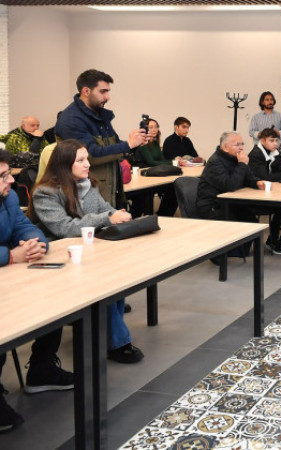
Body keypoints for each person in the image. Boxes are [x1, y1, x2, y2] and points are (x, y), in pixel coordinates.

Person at [27, 139, 145, 363]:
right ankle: (117, 342)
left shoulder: (88, 185)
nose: (87, 164)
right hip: (58, 257)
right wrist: (107, 218)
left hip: (87, 250)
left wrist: (118, 214)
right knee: (102, 281)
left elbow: (106, 210)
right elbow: (64, 228)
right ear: (64, 164)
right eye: (80, 160)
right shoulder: (45, 192)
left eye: (87, 159)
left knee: (117, 274)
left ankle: (110, 333)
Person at [0, 149, 73, 433]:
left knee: (53, 293)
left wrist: (35, 244)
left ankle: (42, 369)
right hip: (7, 267)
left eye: (8, 174)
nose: (11, 181)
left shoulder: (8, 198)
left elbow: (25, 226)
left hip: (9, 275)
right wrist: (10, 256)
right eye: (3, 176)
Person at [55, 69, 150, 208]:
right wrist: (128, 145)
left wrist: (135, 144)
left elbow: (114, 146)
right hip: (85, 198)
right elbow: (90, 155)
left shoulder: (99, 115)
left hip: (109, 191)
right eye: (103, 92)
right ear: (86, 91)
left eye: (108, 92)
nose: (107, 97)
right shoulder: (71, 120)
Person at [248, 128, 281, 255]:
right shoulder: (256, 154)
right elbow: (264, 176)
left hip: (269, 191)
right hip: (254, 195)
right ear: (262, 141)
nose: (275, 144)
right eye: (271, 141)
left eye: (276, 140)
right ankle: (273, 240)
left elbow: (280, 171)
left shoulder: (274, 152)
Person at [196, 131, 266, 223]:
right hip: (213, 206)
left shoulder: (235, 158)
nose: (241, 148)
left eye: (242, 144)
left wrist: (256, 182)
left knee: (253, 221)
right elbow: (230, 185)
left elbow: (248, 177)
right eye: (237, 145)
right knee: (244, 223)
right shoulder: (215, 162)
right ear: (225, 147)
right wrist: (242, 164)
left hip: (231, 203)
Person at [132, 118, 178, 216]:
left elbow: (162, 160)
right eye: (151, 127)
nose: (154, 130)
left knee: (173, 189)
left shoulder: (155, 144)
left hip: (155, 176)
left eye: (156, 127)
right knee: (147, 194)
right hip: (143, 179)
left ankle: (163, 215)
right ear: (145, 129)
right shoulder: (143, 144)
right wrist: (173, 162)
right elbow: (152, 162)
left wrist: (174, 161)